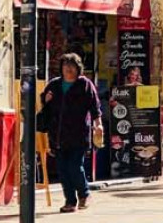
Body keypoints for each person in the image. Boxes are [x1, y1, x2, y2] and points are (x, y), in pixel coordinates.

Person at [39, 53, 103, 213]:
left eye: (71, 65)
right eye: (65, 65)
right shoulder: (54, 85)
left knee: (75, 166)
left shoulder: (85, 85)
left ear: (77, 68)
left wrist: (98, 125)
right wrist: (45, 100)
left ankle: (84, 194)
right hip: (58, 135)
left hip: (78, 135)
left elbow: (95, 108)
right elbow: (44, 105)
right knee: (62, 170)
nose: (68, 68)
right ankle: (70, 201)